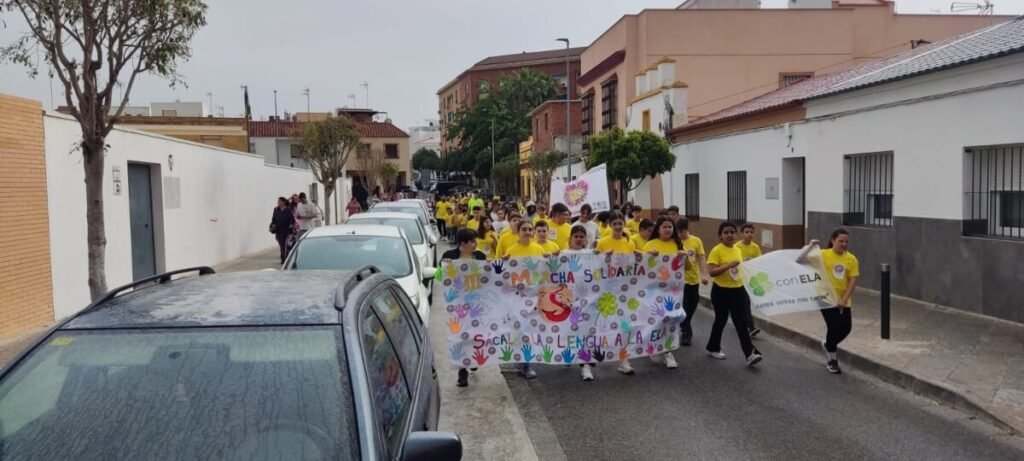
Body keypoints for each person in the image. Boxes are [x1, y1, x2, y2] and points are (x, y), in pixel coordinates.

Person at [801, 229, 859, 374]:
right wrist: (810, 246)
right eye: (841, 241)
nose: (844, 244)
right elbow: (800, 260)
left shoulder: (851, 259)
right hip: (825, 298)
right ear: (833, 240)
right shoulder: (822, 255)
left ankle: (828, 344)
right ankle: (832, 360)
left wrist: (844, 299)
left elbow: (852, 280)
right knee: (833, 327)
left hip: (843, 300)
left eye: (846, 241)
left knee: (846, 329)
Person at [706, 221, 763, 367]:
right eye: (726, 232)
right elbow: (711, 272)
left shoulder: (737, 250)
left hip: (738, 290)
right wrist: (727, 266)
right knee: (721, 320)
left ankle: (749, 353)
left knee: (741, 322)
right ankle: (713, 347)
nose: (729, 235)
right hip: (721, 291)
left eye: (732, 232)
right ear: (720, 235)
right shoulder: (717, 250)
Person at [502, 221, 549, 380]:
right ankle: (521, 361)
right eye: (524, 229)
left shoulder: (539, 249)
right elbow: (501, 272)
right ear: (518, 231)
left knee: (529, 330)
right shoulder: (511, 251)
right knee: (519, 330)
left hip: (534, 297)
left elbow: (545, 270)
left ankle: (527, 364)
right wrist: (503, 261)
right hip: (516, 297)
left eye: (530, 229)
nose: (527, 232)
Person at [441, 228, 487, 387]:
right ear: (463, 244)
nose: (475, 244)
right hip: (457, 305)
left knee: (475, 335)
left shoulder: (480, 256)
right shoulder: (449, 257)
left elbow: (489, 276)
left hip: (476, 304)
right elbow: (440, 277)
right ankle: (462, 372)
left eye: (476, 241)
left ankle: (473, 358)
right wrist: (442, 268)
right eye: (472, 242)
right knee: (459, 336)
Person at [595, 211, 639, 375]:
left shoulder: (630, 243)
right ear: (610, 225)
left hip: (625, 290)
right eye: (615, 224)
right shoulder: (602, 242)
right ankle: (603, 350)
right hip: (606, 290)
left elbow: (634, 264)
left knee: (624, 324)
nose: (618, 226)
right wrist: (603, 258)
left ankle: (623, 360)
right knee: (605, 324)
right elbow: (594, 264)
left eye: (621, 223)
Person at [642, 216, 689, 369]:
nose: (668, 229)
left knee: (671, 320)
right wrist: (649, 256)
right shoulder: (650, 244)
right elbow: (641, 268)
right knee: (656, 320)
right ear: (658, 229)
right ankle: (654, 346)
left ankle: (668, 352)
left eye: (670, 227)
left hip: (673, 292)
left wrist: (684, 258)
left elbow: (686, 268)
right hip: (653, 290)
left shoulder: (677, 244)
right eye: (665, 227)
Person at [563, 225, 598, 381]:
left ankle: (585, 365)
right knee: (570, 331)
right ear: (570, 238)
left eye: (581, 236)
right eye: (575, 236)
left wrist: (605, 256)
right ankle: (569, 355)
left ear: (585, 239)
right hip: (567, 300)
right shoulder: (563, 255)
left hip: (587, 300)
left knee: (586, 332)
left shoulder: (590, 255)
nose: (578, 239)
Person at [677, 217, 709, 346]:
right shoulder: (675, 242)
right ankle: (686, 332)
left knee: (693, 304)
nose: (680, 234)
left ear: (687, 230)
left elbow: (701, 258)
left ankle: (684, 323)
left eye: (682, 231)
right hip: (680, 281)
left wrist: (704, 274)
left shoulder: (696, 241)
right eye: (678, 232)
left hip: (693, 279)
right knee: (684, 306)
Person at [737, 223, 763, 338]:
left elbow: (758, 262)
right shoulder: (737, 247)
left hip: (750, 279)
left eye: (751, 232)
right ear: (742, 234)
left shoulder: (755, 247)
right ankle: (751, 327)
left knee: (744, 303)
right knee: (745, 303)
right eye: (747, 232)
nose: (749, 234)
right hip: (738, 279)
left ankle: (743, 323)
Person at [271, 197, 295, 264]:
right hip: (278, 230)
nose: (278, 203)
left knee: (284, 244)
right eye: (278, 201)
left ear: (283, 202)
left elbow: (292, 220)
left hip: (286, 230)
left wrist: (291, 225)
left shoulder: (288, 210)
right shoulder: (276, 209)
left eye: (279, 201)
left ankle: (284, 258)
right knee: (281, 244)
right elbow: (273, 219)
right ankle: (284, 256)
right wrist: (273, 225)